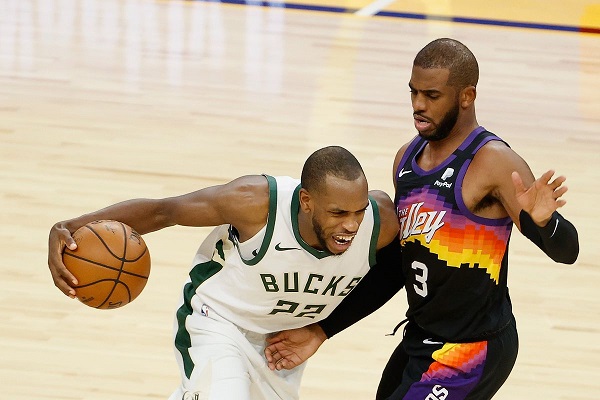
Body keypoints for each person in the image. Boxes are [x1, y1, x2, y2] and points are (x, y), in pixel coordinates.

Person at [264, 38, 580, 400]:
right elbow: (396, 266)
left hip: (471, 349)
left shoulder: (493, 162)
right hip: (420, 338)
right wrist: (323, 330)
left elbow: (567, 251)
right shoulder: (407, 159)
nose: (417, 105)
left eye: (431, 95)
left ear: (466, 96)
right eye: (413, 92)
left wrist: (545, 222)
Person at [47, 145, 400, 400]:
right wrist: (71, 225)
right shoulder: (255, 202)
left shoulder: (380, 223)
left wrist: (322, 331)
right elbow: (163, 212)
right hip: (216, 322)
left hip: (279, 347)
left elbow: (393, 276)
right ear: (306, 201)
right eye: (338, 213)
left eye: (358, 210)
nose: (352, 224)